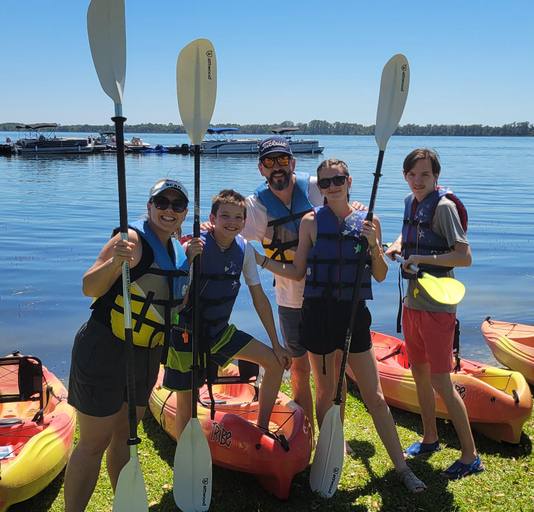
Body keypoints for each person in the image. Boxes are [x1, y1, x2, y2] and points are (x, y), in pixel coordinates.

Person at [259, 158, 426, 493]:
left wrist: (373, 246)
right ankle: (330, 451)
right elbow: (297, 272)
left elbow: (379, 275)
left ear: (349, 181)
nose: (331, 186)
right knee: (326, 392)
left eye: (337, 180)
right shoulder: (310, 222)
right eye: (324, 182)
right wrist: (259, 259)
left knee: (375, 396)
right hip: (317, 315)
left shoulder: (369, 220)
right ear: (319, 187)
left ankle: (402, 468)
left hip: (353, 316)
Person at [64, 179, 201, 512]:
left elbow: (175, 305)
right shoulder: (132, 240)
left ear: (184, 212)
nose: (169, 209)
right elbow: (88, 287)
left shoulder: (180, 250)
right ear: (149, 206)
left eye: (177, 204)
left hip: (147, 352)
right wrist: (114, 263)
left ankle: (124, 505)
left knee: (127, 437)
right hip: (105, 346)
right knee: (94, 442)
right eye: (162, 202)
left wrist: (191, 263)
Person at [235, 135, 355, 446]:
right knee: (299, 368)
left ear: (294, 162)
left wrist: (354, 208)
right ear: (261, 168)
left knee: (334, 368)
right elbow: (229, 230)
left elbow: (344, 206)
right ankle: (309, 435)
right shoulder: (255, 206)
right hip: (289, 297)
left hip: (326, 294)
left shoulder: (317, 186)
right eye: (270, 162)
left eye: (283, 160)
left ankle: (336, 436)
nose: (277, 168)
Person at [384, 148, 484, 480]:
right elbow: (411, 233)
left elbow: (464, 256)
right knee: (420, 374)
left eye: (424, 175)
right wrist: (399, 245)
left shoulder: (443, 207)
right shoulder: (410, 201)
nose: (417, 181)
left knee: (441, 380)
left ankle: (470, 456)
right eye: (412, 175)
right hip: (412, 302)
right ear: (405, 176)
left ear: (435, 177)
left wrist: (423, 261)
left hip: (438, 306)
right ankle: (430, 439)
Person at [163, 189, 292, 439]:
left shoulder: (244, 250)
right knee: (187, 407)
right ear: (213, 218)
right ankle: (184, 459)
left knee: (275, 363)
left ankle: (261, 430)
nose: (232, 222)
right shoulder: (193, 245)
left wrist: (276, 344)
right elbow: (177, 302)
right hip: (186, 335)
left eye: (238, 217)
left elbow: (259, 298)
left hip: (219, 333)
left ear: (245, 222)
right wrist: (188, 260)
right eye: (225, 216)